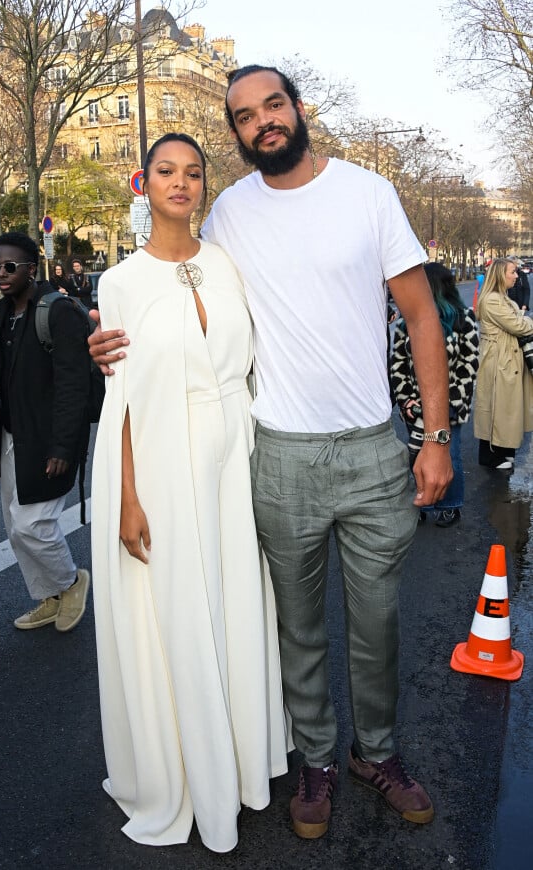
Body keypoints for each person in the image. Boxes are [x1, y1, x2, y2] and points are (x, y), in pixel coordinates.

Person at [89, 66, 452, 839]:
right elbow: (178, 293)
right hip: (278, 453)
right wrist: (111, 344)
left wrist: (435, 436)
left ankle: (376, 754)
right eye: (246, 116)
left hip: (370, 451)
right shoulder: (228, 216)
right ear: (238, 133)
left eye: (273, 106)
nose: (264, 123)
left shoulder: (367, 193)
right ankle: (316, 760)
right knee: (295, 626)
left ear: (296, 108)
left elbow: (423, 318)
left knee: (378, 620)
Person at [90, 133, 288, 854]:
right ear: (145, 184)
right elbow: (123, 405)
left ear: (206, 184)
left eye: (193, 172)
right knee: (179, 611)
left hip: (238, 453)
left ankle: (241, 758)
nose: (181, 182)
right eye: (166, 172)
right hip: (165, 463)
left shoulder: (230, 265)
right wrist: (127, 498)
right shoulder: (119, 282)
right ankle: (190, 771)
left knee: (236, 601)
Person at [0, 232, 91, 632]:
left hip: (47, 439)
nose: (1, 274)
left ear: (31, 269)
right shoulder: (5, 311)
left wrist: (64, 446)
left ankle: (72, 582)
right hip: (11, 435)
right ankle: (49, 595)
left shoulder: (58, 312)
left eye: (9, 267)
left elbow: (75, 386)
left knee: (32, 525)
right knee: (13, 524)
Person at [391, 263, 479, 527]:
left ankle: (449, 504)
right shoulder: (407, 323)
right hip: (414, 406)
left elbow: (469, 365)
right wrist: (406, 399)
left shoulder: (464, 319)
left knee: (448, 452)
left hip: (449, 405)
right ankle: (420, 502)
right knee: (415, 452)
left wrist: (451, 402)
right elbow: (398, 364)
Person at [474, 257, 533, 470]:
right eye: (513, 272)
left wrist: (523, 320)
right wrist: (527, 320)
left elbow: (518, 321)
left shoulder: (500, 297)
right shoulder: (492, 300)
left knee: (507, 407)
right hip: (498, 359)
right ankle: (492, 455)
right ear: (501, 275)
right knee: (497, 405)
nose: (517, 276)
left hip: (505, 356)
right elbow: (518, 324)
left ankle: (504, 450)